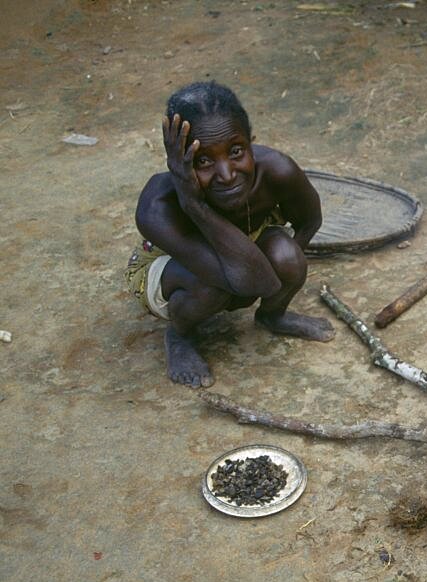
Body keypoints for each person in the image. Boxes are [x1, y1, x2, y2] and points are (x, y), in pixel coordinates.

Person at [125, 81, 334, 388]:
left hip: (244, 249)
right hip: (170, 265)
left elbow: (309, 222)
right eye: (203, 161)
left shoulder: (277, 169)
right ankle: (179, 336)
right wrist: (194, 205)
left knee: (289, 256)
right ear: (177, 162)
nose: (226, 174)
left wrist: (287, 269)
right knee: (212, 287)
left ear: (251, 142)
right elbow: (255, 283)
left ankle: (272, 316)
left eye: (236, 151)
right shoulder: (157, 206)